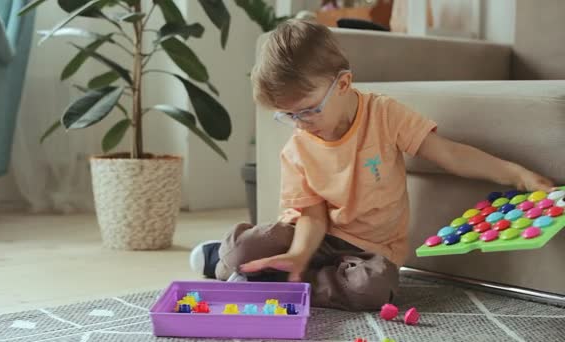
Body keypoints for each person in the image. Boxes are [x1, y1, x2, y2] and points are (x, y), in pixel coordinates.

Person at [189, 19, 554, 311]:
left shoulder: (384, 114)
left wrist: (517, 173)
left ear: (343, 84)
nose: (300, 122)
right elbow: (312, 215)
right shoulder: (299, 146)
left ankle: (279, 279)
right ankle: (235, 261)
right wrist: (300, 253)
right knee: (244, 250)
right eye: (288, 115)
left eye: (309, 109)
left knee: (371, 291)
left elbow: (450, 154)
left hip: (371, 250)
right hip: (312, 237)